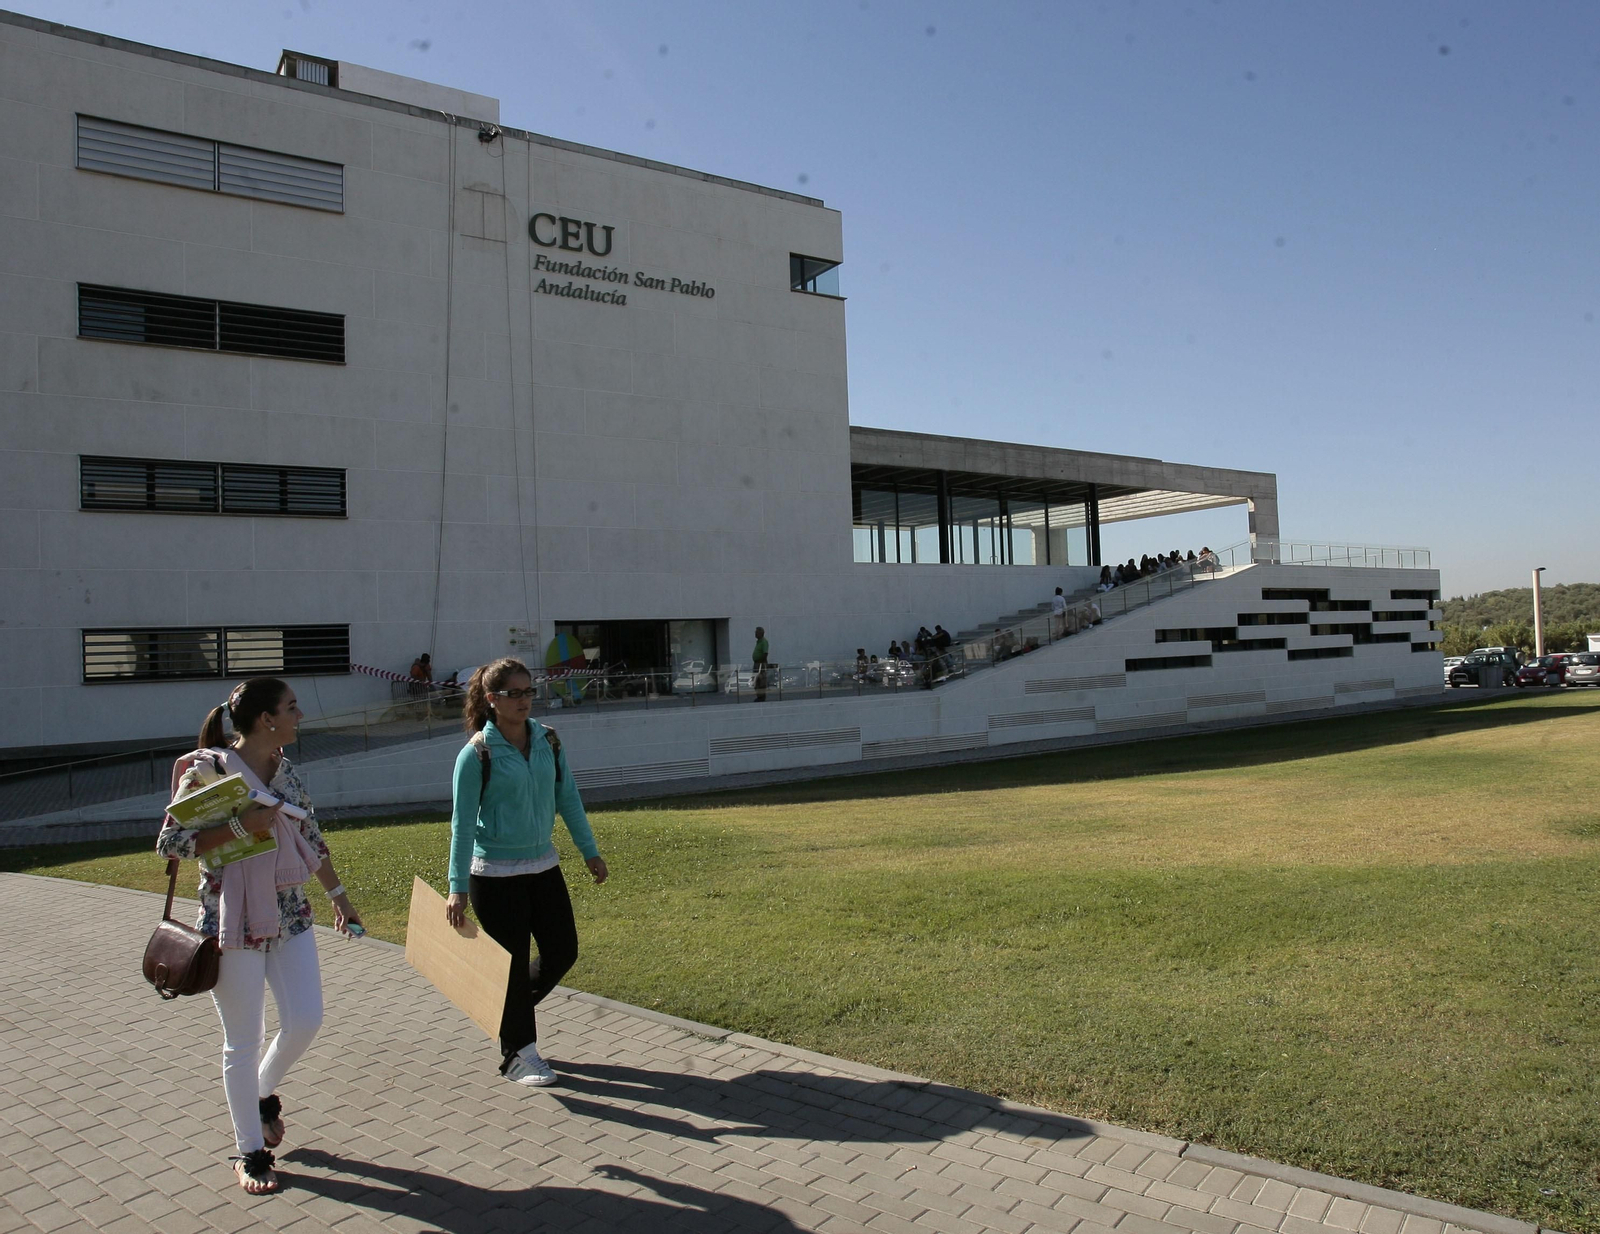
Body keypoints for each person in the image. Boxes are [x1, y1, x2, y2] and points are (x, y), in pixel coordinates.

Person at [156, 677, 363, 1196]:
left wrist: (339, 897)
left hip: (291, 912)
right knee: (241, 1042)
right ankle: (249, 1150)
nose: (299, 716)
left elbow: (310, 836)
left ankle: (262, 1094)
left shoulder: (287, 771)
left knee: (306, 1020)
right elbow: (171, 842)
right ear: (267, 720)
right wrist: (242, 827)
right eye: (292, 708)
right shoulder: (208, 771)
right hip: (232, 921)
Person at [445, 658, 607, 1087]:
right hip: (493, 874)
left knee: (562, 951)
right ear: (492, 700)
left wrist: (589, 850)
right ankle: (519, 1053)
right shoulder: (476, 753)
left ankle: (505, 1009)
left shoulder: (548, 741)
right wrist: (456, 888)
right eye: (513, 693)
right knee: (513, 965)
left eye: (529, 691)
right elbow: (462, 826)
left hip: (543, 865)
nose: (524, 700)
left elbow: (568, 797)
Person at [752, 626, 770, 702]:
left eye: (757, 632)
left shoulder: (764, 642)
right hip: (756, 663)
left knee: (761, 681)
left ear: (761, 633)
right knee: (756, 681)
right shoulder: (758, 642)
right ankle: (758, 696)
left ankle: (762, 697)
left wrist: (762, 664)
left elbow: (765, 653)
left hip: (761, 664)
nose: (755, 634)